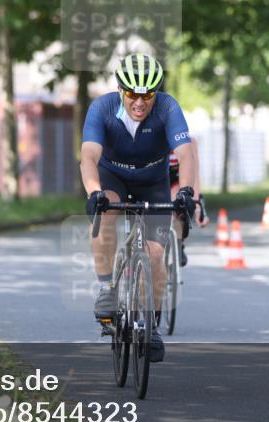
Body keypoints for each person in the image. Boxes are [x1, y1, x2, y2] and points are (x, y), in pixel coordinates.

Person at [81, 53, 201, 363]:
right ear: (120, 89)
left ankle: (151, 324)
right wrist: (94, 192)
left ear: (156, 92)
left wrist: (187, 191)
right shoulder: (102, 108)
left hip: (153, 181)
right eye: (132, 93)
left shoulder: (168, 107)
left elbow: (186, 153)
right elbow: (90, 156)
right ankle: (107, 287)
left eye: (147, 94)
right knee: (104, 213)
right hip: (113, 176)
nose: (140, 101)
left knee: (156, 254)